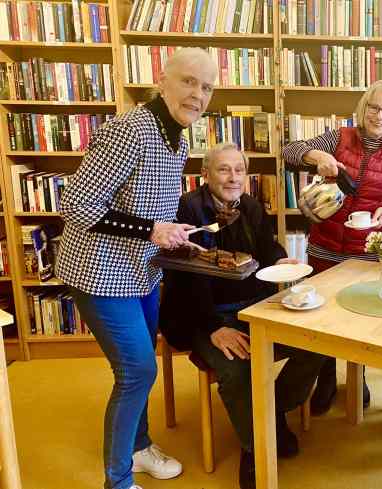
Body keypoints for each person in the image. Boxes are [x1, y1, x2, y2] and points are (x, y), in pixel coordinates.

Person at [56, 48, 217, 489]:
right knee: (138, 371)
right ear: (162, 81)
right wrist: (150, 229)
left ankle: (139, 446)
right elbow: (76, 205)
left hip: (141, 272)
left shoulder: (179, 138)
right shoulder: (129, 129)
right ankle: (118, 481)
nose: (197, 94)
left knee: (138, 371)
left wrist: (171, 230)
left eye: (206, 87)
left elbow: (148, 203)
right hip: (99, 274)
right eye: (188, 81)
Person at [159, 144, 326, 489]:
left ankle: (271, 413)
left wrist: (279, 259)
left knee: (315, 345)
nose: (233, 178)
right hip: (204, 314)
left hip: (256, 306)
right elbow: (184, 277)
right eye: (224, 169)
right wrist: (213, 328)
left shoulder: (250, 205)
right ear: (205, 174)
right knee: (236, 368)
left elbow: (266, 247)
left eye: (239, 170)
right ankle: (254, 447)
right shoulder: (186, 208)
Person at [282, 80, 382, 415]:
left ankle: (358, 377)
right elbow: (289, 151)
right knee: (322, 319)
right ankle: (325, 379)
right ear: (363, 108)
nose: (379, 116)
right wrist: (317, 156)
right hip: (324, 248)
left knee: (358, 320)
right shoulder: (338, 137)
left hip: (364, 254)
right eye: (374, 107)